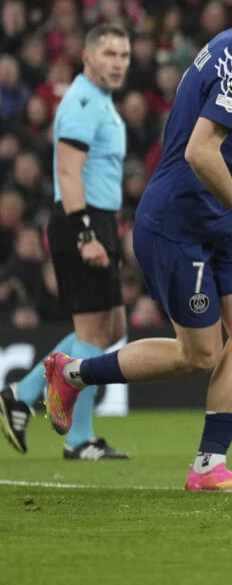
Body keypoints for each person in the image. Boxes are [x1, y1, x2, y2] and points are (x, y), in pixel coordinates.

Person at [41, 0, 232, 492]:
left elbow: (215, 146)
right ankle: (72, 373)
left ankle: (209, 467)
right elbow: (199, 151)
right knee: (200, 355)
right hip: (178, 220)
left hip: (214, 215)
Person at [1, 24, 132, 460]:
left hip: (99, 220)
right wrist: (86, 235)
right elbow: (67, 173)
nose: (118, 63)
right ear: (87, 57)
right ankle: (79, 439)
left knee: (111, 328)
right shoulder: (80, 103)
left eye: (124, 55)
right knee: (93, 333)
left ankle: (24, 391)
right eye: (109, 54)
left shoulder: (100, 102)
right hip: (83, 220)